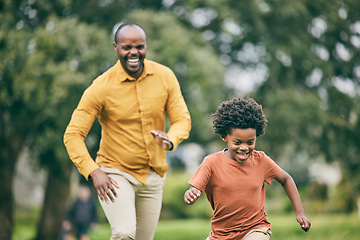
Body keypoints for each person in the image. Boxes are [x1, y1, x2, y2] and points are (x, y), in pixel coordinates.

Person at [63, 22, 191, 240]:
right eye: (126, 47)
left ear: (146, 46)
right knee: (124, 233)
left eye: (139, 46)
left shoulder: (165, 76)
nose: (134, 52)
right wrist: (94, 171)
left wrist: (170, 139)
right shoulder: (101, 87)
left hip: (153, 175)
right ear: (116, 48)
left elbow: (182, 119)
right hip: (115, 174)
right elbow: (73, 134)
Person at [184, 97, 311, 240]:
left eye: (250, 142)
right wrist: (191, 193)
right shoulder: (211, 162)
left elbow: (286, 179)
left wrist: (300, 212)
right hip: (221, 234)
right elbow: (195, 189)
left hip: (255, 229)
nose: (244, 148)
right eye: (237, 142)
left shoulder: (261, 160)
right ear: (224, 137)